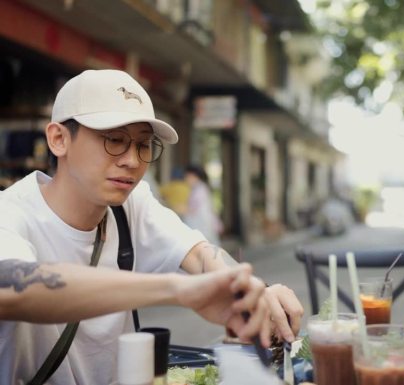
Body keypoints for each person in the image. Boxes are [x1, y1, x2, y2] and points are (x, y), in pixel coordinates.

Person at [0, 69, 303, 385]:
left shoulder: (129, 204)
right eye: (114, 140)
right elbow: (13, 289)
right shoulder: (10, 215)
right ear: (59, 139)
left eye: (144, 145)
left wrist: (253, 289)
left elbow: (200, 255)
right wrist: (177, 290)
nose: (132, 160)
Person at [183, 164, 223, 245]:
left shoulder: (199, 190)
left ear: (194, 176)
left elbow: (192, 209)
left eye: (187, 176)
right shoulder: (199, 188)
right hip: (202, 228)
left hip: (202, 228)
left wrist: (179, 208)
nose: (185, 179)